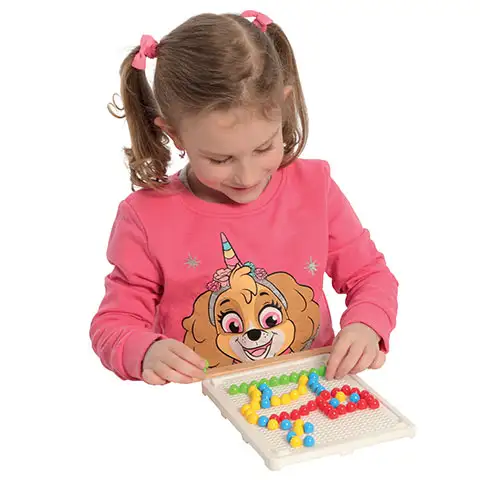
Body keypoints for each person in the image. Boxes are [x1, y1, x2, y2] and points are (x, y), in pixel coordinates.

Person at [90, 10, 398, 386]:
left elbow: (369, 275)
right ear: (175, 135)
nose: (247, 177)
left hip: (311, 395)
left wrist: (367, 324)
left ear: (283, 106)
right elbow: (114, 323)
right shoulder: (145, 217)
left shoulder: (314, 187)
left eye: (264, 147)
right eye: (220, 159)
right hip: (201, 404)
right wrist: (144, 350)